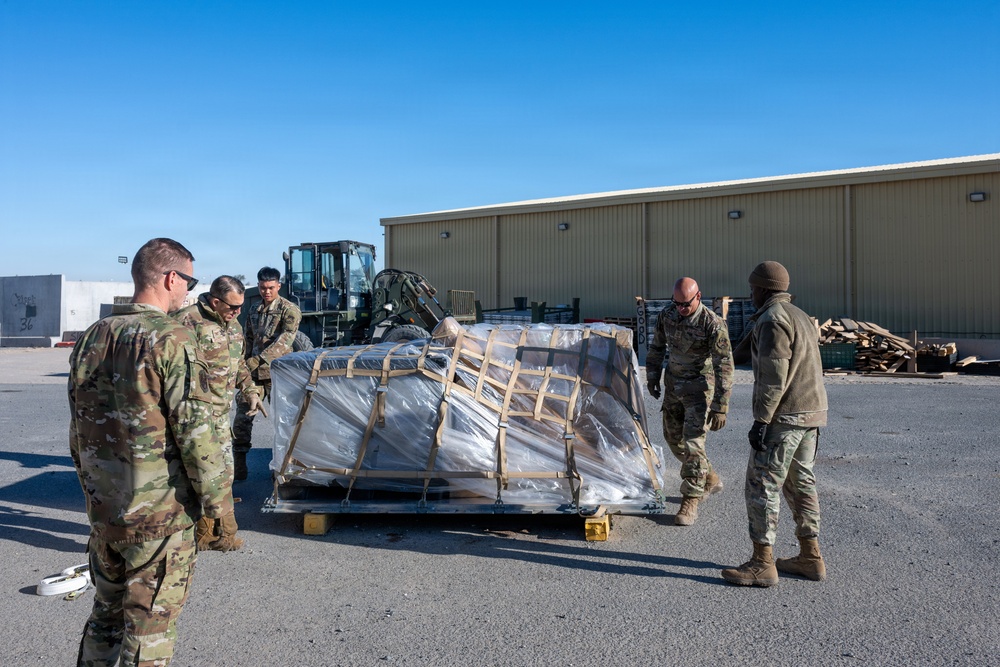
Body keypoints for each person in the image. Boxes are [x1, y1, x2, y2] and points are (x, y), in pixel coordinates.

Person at [69, 238, 236, 665]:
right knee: (148, 632)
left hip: (106, 513)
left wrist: (94, 495)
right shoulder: (171, 338)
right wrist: (219, 507)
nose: (189, 292)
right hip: (158, 518)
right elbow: (197, 433)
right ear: (170, 278)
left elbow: (78, 429)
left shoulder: (93, 336)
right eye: (189, 281)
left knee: (105, 620)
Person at [721, 260, 829, 587]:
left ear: (763, 288)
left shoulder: (772, 321)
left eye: (752, 288)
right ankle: (810, 556)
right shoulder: (798, 316)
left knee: (761, 485)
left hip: (784, 417)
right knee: (801, 484)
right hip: (811, 414)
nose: (749, 293)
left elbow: (773, 377)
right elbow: (741, 352)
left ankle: (761, 563)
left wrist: (761, 421)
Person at [175, 275, 263, 552]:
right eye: (233, 307)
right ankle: (204, 533)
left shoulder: (233, 325)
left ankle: (221, 534)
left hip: (220, 415)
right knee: (199, 475)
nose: (238, 313)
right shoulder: (185, 322)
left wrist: (250, 391)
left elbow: (238, 367)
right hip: (193, 417)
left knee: (223, 473)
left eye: (240, 307)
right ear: (215, 301)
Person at [646, 277, 734, 526]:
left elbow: (724, 366)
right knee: (673, 440)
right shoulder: (667, 315)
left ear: (698, 296)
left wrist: (721, 405)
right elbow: (656, 347)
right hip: (673, 386)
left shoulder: (712, 324)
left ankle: (691, 500)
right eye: (677, 304)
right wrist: (652, 377)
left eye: (686, 304)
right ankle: (710, 477)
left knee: (694, 442)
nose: (681, 309)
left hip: (700, 390)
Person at [232, 266, 302, 480]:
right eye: (263, 288)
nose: (266, 292)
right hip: (253, 375)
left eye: (271, 287)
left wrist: (257, 360)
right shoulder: (254, 309)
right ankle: (239, 467)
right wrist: (243, 363)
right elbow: (249, 338)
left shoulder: (289, 310)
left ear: (278, 286)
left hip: (277, 374)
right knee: (241, 421)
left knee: (284, 422)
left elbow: (285, 341)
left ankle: (282, 469)